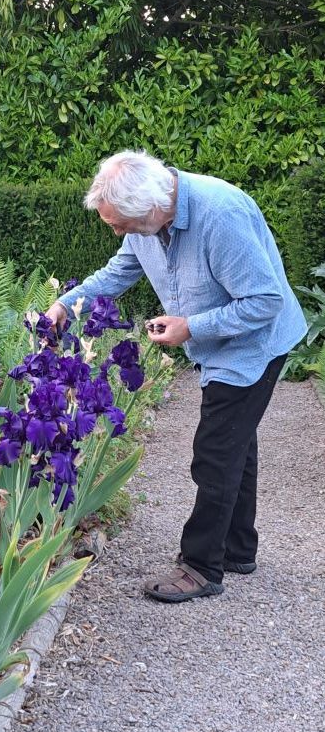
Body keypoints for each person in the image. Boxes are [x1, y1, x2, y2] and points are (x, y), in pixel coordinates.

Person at [46, 150, 307, 603]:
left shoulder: (219, 214)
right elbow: (120, 271)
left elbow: (265, 301)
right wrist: (67, 303)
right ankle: (238, 550)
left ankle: (202, 566)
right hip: (220, 341)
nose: (115, 231)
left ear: (149, 208)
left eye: (119, 224)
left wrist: (191, 326)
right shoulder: (148, 219)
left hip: (254, 345)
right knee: (235, 445)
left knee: (215, 451)